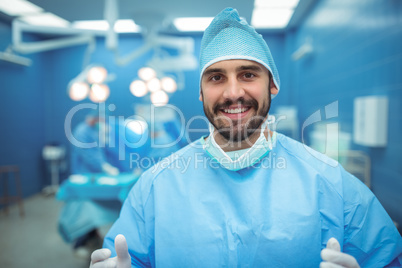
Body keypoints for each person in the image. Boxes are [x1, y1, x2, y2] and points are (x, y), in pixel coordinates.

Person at [89, 8, 402, 267]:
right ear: (200, 92)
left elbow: (387, 257)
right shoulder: (156, 187)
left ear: (273, 85)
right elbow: (128, 258)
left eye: (248, 74)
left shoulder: (330, 182)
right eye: (216, 77)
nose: (233, 92)